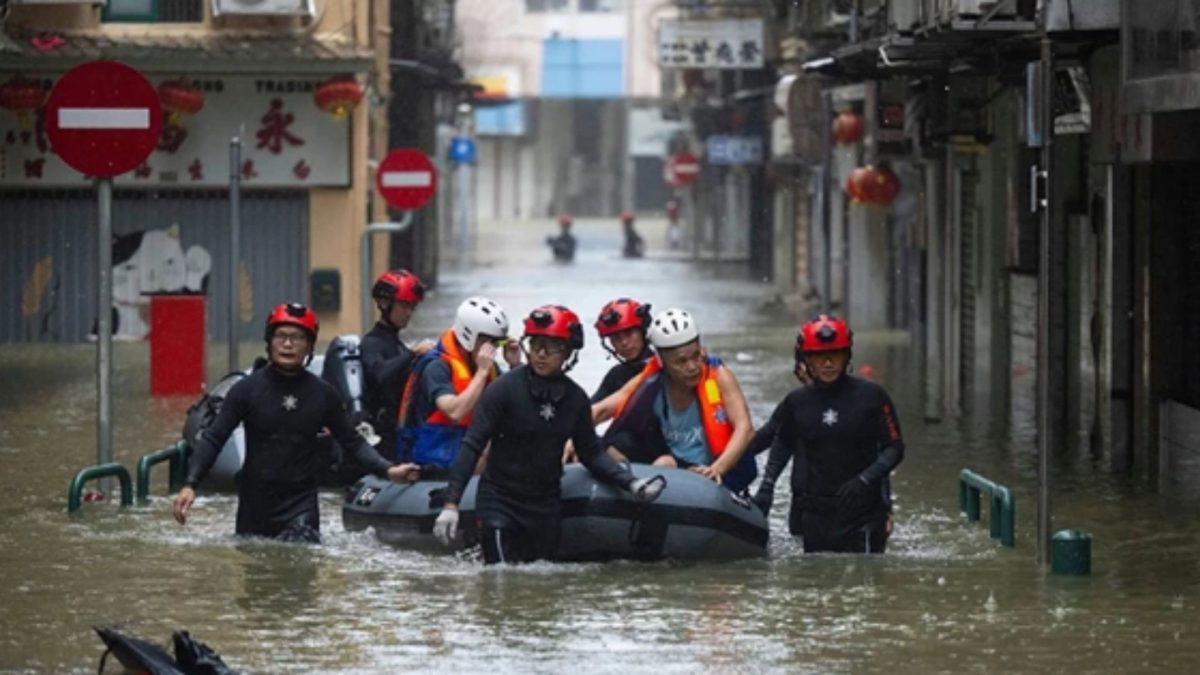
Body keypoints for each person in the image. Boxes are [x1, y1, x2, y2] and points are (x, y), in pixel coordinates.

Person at [432, 305, 665, 564]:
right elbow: (472, 445)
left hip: (544, 506)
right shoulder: (503, 390)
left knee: (540, 582)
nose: (541, 354)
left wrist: (630, 483)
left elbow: (591, 453)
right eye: (535, 345)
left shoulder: (575, 399)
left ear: (567, 353)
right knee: (497, 580)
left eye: (551, 347)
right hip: (500, 500)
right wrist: (451, 504)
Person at [172, 303, 418, 543]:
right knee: (258, 575)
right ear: (269, 342)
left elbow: (353, 441)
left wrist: (388, 470)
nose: (288, 344)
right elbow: (215, 437)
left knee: (299, 565)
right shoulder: (246, 390)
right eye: (281, 336)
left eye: (297, 337)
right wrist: (190, 484)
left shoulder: (323, 394)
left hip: (300, 504)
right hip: (254, 505)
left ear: (309, 345)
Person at [751, 315, 904, 553]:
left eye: (836, 355)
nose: (828, 363)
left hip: (863, 513)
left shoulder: (872, 397)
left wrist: (865, 480)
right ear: (807, 360)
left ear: (847, 356)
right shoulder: (796, 403)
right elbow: (776, 440)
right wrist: (764, 486)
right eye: (820, 356)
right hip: (816, 516)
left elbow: (894, 447)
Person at [602, 308, 758, 493]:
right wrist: (575, 437)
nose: (692, 367)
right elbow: (603, 409)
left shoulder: (720, 377)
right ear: (661, 361)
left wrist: (716, 469)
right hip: (677, 468)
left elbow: (745, 429)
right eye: (681, 362)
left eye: (695, 356)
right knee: (617, 449)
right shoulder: (652, 382)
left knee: (664, 463)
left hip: (718, 469)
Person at [395, 296, 510, 475]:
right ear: (469, 336)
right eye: (490, 343)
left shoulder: (487, 368)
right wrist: (481, 374)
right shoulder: (437, 367)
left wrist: (515, 365)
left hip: (465, 457)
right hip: (432, 464)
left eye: (498, 343)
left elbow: (517, 404)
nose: (493, 350)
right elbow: (454, 412)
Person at [360, 269, 435, 455]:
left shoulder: (397, 344)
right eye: (404, 305)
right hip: (380, 443)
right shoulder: (372, 343)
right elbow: (380, 376)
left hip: (402, 438)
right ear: (384, 303)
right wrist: (413, 353)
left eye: (412, 307)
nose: (409, 313)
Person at [590, 297, 654, 405]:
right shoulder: (616, 376)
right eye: (616, 337)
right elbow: (590, 411)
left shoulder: (665, 369)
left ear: (642, 332)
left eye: (629, 333)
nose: (624, 343)